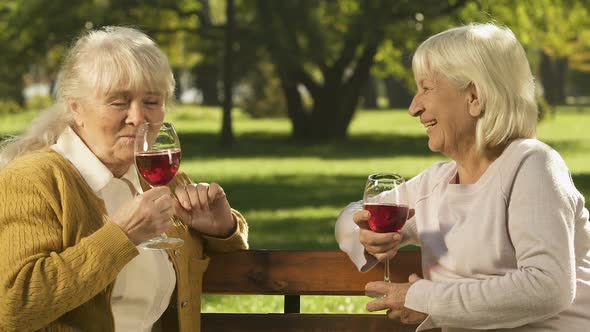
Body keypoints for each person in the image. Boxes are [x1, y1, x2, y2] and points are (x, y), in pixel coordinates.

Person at [336, 23, 590, 331]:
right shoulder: (436, 183)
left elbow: (547, 287)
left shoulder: (531, 165)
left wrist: (426, 299)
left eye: (426, 89)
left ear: (474, 97)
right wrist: (369, 236)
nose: (414, 107)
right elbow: (351, 215)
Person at [0, 26, 248, 331]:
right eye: (119, 102)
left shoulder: (160, 181)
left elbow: (225, 261)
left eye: (152, 102)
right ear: (76, 108)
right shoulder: (33, 180)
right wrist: (122, 236)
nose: (138, 117)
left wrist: (221, 230)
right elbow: (14, 308)